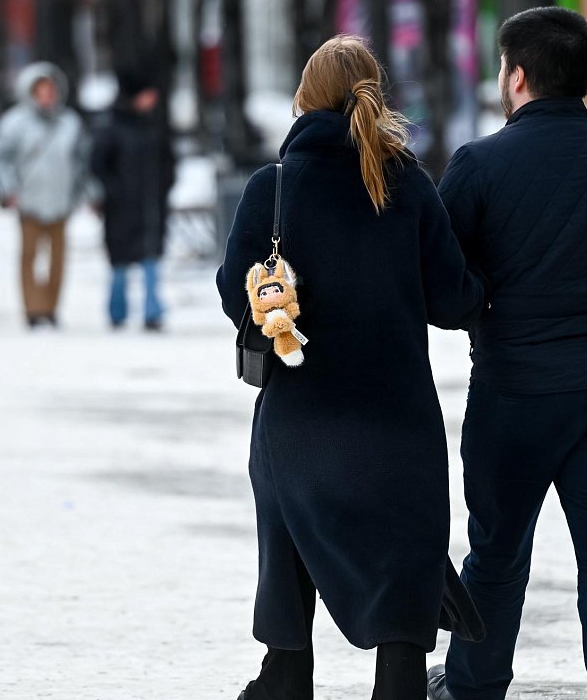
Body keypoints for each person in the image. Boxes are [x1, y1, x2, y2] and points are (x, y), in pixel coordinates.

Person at [216, 35, 487, 700]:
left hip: (300, 417)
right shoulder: (408, 184)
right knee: (406, 551)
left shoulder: (273, 188)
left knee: (288, 533)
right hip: (397, 421)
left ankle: (285, 674)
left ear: (304, 99)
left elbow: (234, 295)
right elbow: (455, 302)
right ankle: (399, 683)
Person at [426, 7, 587, 700]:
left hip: (513, 392)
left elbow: (439, 285)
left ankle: (473, 688)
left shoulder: (479, 164)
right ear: (583, 79)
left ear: (516, 76)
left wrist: (480, 311)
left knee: (498, 552)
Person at [0, 62, 91, 328]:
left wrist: (81, 193)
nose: (47, 96)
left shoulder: (70, 123)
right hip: (29, 202)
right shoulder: (14, 123)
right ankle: (32, 309)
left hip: (61, 202)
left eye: (51, 90)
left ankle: (51, 307)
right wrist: (8, 189)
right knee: (29, 257)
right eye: (42, 91)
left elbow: (82, 161)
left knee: (58, 260)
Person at [90, 68, 175, 330]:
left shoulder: (154, 125)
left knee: (151, 259)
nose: (153, 99)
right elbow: (98, 165)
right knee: (119, 263)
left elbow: (168, 163)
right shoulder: (112, 127)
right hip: (121, 208)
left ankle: (152, 311)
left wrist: (163, 187)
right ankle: (117, 312)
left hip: (151, 206)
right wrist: (113, 191)